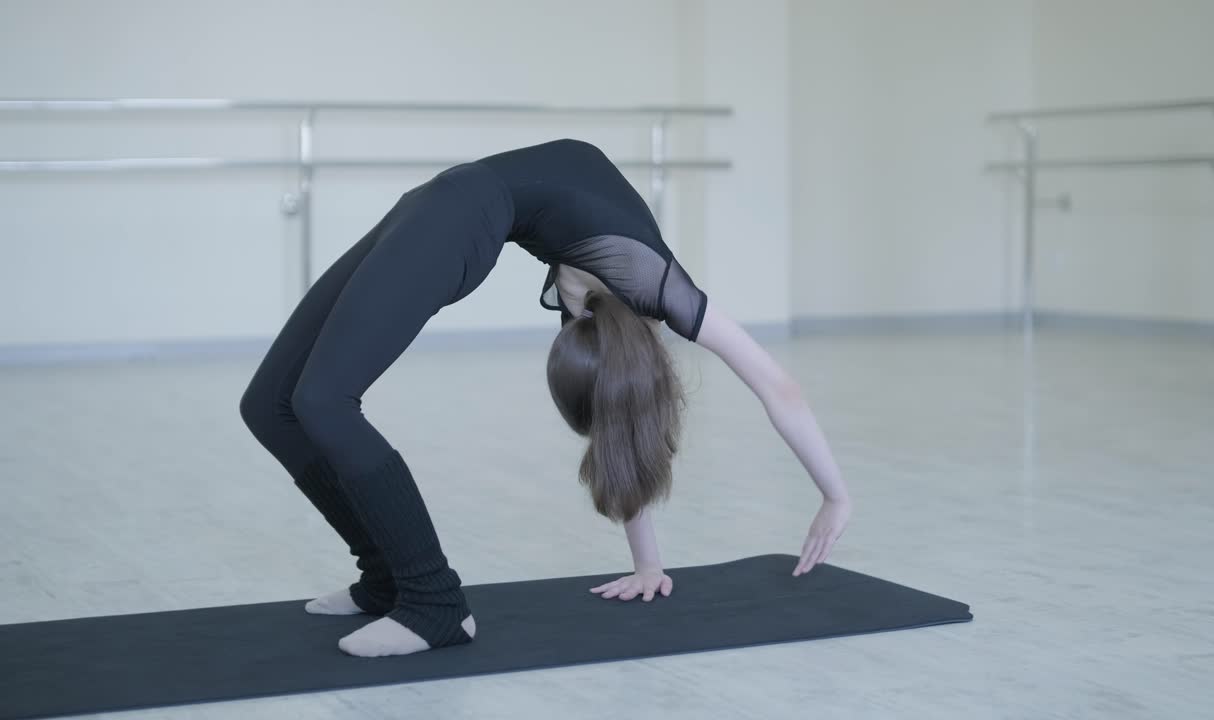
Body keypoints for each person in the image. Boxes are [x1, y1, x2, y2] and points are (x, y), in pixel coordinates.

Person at [239, 139, 850, 658]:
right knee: (271, 405)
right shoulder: (661, 287)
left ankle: (434, 603)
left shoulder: (594, 320)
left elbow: (617, 430)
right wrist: (834, 494)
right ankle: (387, 582)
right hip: (439, 204)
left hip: (455, 209)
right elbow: (779, 386)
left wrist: (648, 566)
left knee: (322, 401)